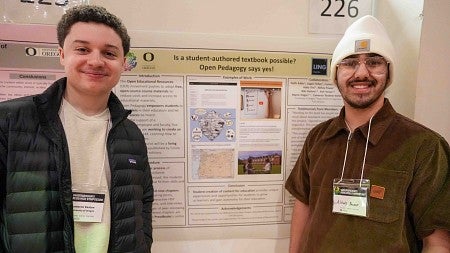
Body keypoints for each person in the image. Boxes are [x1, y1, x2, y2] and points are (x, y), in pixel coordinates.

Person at [285, 15, 450, 252]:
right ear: (336, 73)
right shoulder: (318, 138)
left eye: (374, 62)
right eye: (350, 63)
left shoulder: (424, 147)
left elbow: (437, 242)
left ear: (388, 71)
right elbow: (303, 205)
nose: (361, 73)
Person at [0, 5, 153, 253]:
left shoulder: (131, 134)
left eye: (109, 53)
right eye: (82, 49)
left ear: (123, 63)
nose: (95, 61)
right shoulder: (10, 121)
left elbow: (143, 203)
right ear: (62, 54)